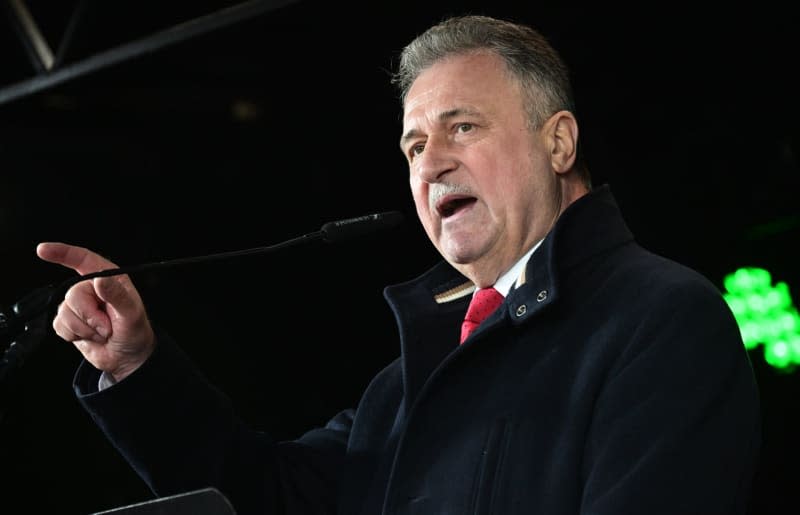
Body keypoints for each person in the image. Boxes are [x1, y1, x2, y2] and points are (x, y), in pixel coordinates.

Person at [36, 14, 760, 515]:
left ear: (559, 142)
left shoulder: (660, 319)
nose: (432, 162)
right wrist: (136, 366)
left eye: (462, 127)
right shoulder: (407, 383)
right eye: (414, 147)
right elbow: (266, 495)